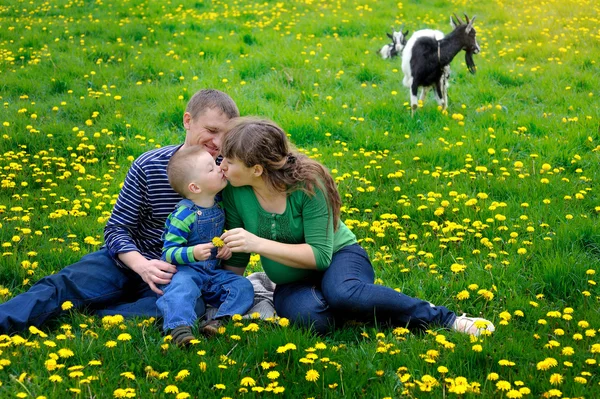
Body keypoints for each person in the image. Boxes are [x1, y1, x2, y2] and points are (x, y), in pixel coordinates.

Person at [218, 117, 495, 336]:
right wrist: (226, 296)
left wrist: (258, 243)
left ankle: (445, 319)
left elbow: (320, 255)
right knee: (316, 321)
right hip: (292, 282)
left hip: (338, 258)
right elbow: (239, 255)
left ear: (257, 169)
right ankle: (362, 307)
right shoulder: (235, 191)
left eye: (229, 161)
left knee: (344, 293)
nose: (222, 167)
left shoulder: (308, 185)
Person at [0, 89, 240, 334]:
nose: (218, 143)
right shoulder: (149, 165)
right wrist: (142, 265)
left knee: (183, 307)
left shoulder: (225, 176)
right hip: (126, 261)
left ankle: (99, 313)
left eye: (225, 134)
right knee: (62, 285)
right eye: (211, 131)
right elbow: (117, 228)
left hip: (178, 276)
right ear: (188, 121)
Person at [157, 146, 253, 345]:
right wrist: (192, 252)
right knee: (179, 291)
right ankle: (179, 329)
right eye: (211, 169)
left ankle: (219, 320)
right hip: (185, 272)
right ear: (195, 187)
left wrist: (224, 248)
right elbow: (168, 252)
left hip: (211, 273)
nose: (220, 168)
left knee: (242, 286)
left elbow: (217, 239)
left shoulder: (219, 206)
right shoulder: (183, 215)